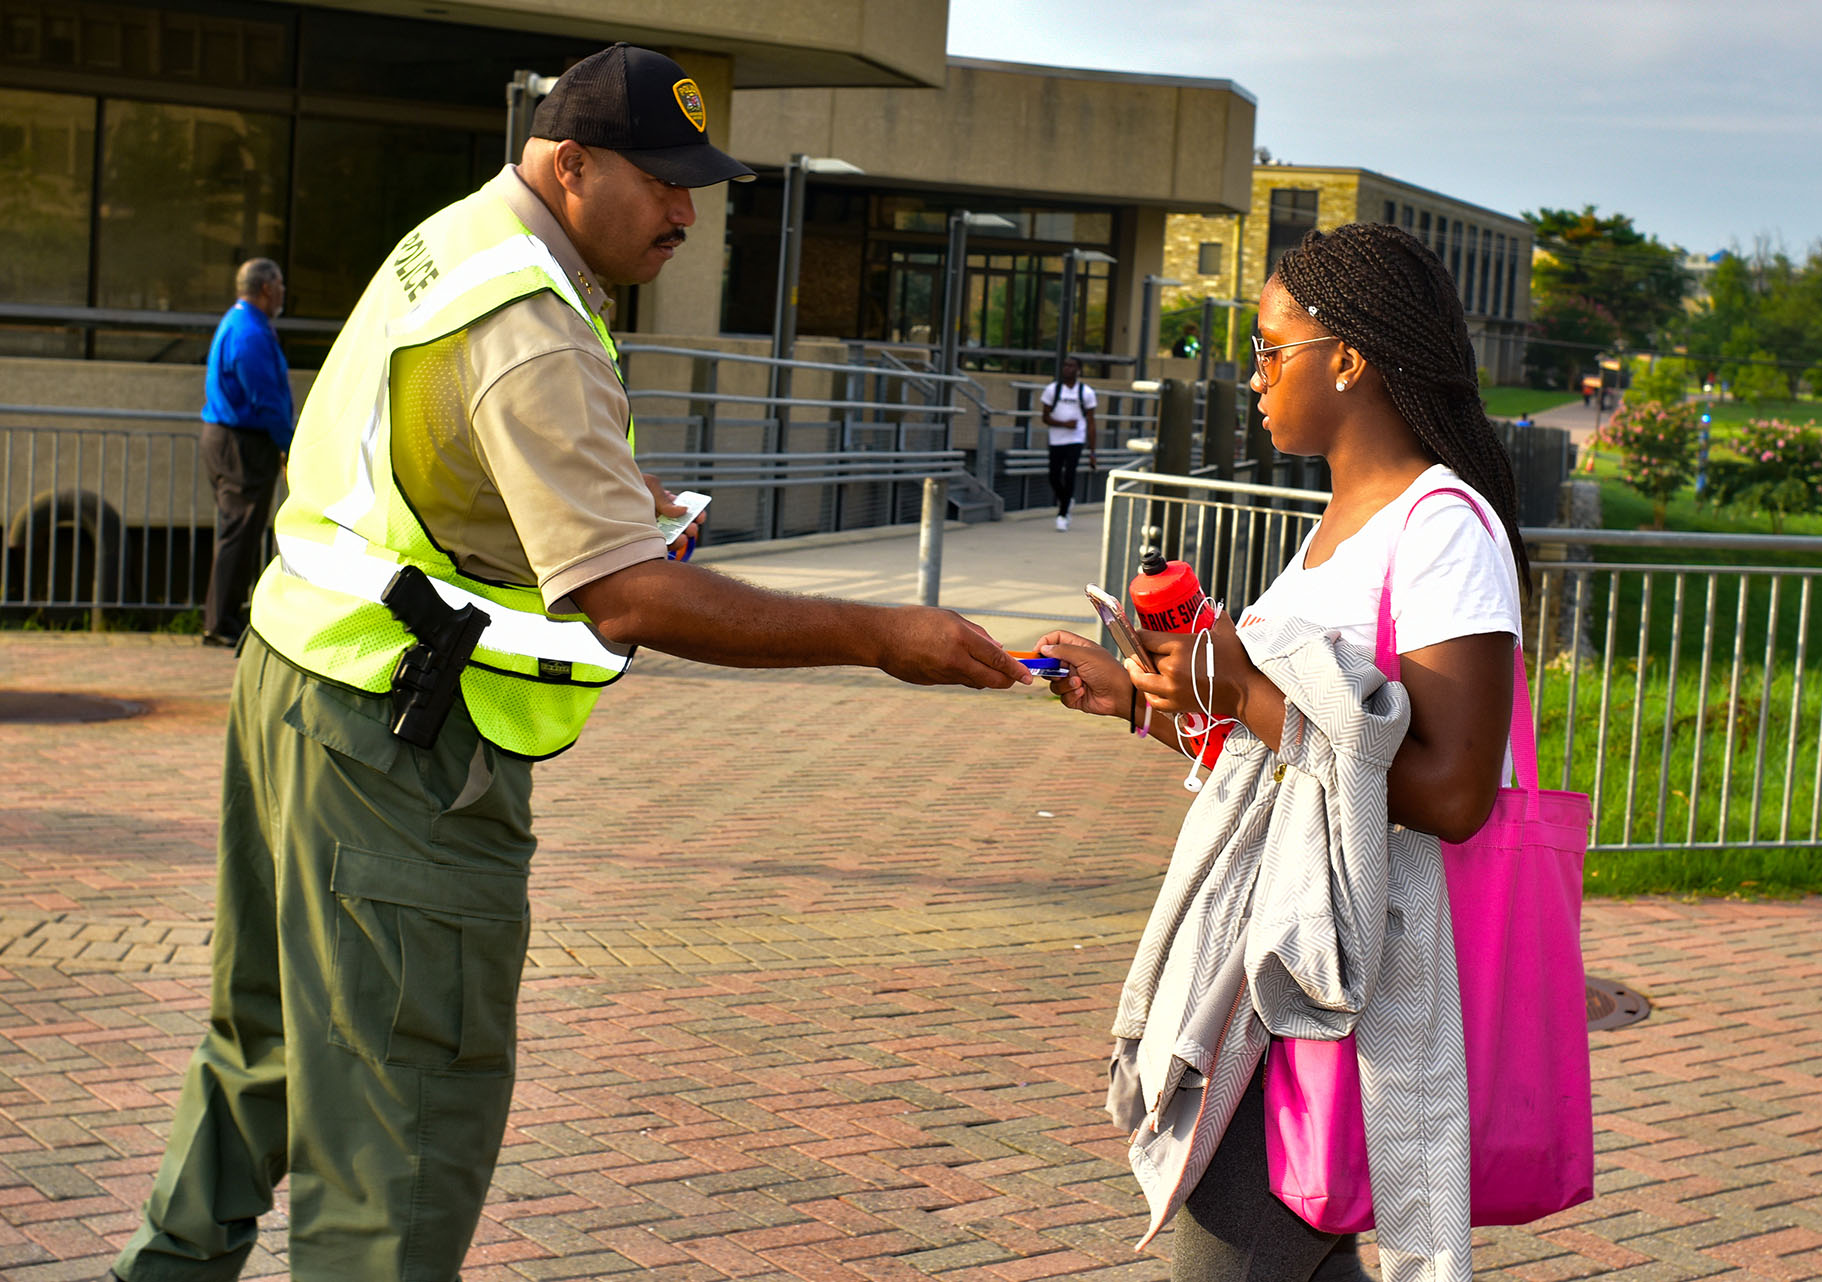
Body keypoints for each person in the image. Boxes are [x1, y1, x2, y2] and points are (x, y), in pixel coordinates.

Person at [108, 44, 1029, 1282]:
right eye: (663, 183)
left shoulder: (458, 242)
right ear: (572, 162)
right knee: (405, 1116)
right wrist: (880, 634)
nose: (687, 214)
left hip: (295, 688)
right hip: (400, 749)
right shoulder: (532, 320)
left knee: (262, 1041)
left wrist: (607, 490)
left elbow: (444, 457)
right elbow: (630, 594)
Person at [1036, 222, 1528, 1282]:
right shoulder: (1335, 526)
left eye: (1269, 349)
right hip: (1288, 943)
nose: (1250, 376)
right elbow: (1286, 754)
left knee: (1234, 1252)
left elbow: (1450, 792)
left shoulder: (1443, 529)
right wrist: (1131, 697)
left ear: (1347, 357)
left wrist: (1251, 689)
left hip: (1357, 965)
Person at [198, 257, 293, 647]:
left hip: (232, 440)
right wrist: (289, 445)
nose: (285, 292)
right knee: (239, 532)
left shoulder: (241, 322)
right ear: (267, 288)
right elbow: (265, 398)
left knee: (241, 530)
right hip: (241, 444)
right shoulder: (250, 333)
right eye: (281, 285)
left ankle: (226, 616)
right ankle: (219, 623)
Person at [1039, 355, 1097, 530]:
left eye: (1071, 366)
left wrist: (1092, 451)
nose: (1067, 369)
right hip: (1056, 440)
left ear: (1078, 370)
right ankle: (1066, 499)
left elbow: (1091, 422)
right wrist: (1064, 424)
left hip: (1076, 439)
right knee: (1053, 475)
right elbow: (1045, 417)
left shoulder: (1086, 392)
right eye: (1065, 365)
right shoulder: (1052, 390)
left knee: (1070, 474)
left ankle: (1062, 515)